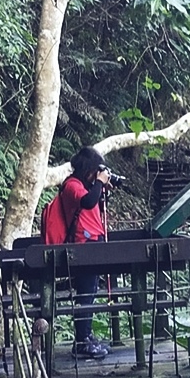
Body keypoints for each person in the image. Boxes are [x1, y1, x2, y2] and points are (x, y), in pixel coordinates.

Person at [60, 146, 113, 360]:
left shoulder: (84, 185)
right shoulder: (72, 185)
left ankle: (86, 336)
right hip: (82, 246)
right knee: (85, 294)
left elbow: (95, 203)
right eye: (94, 171)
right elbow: (88, 202)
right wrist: (99, 183)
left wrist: (102, 187)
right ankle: (81, 341)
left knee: (90, 293)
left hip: (92, 244)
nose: (95, 175)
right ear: (87, 169)